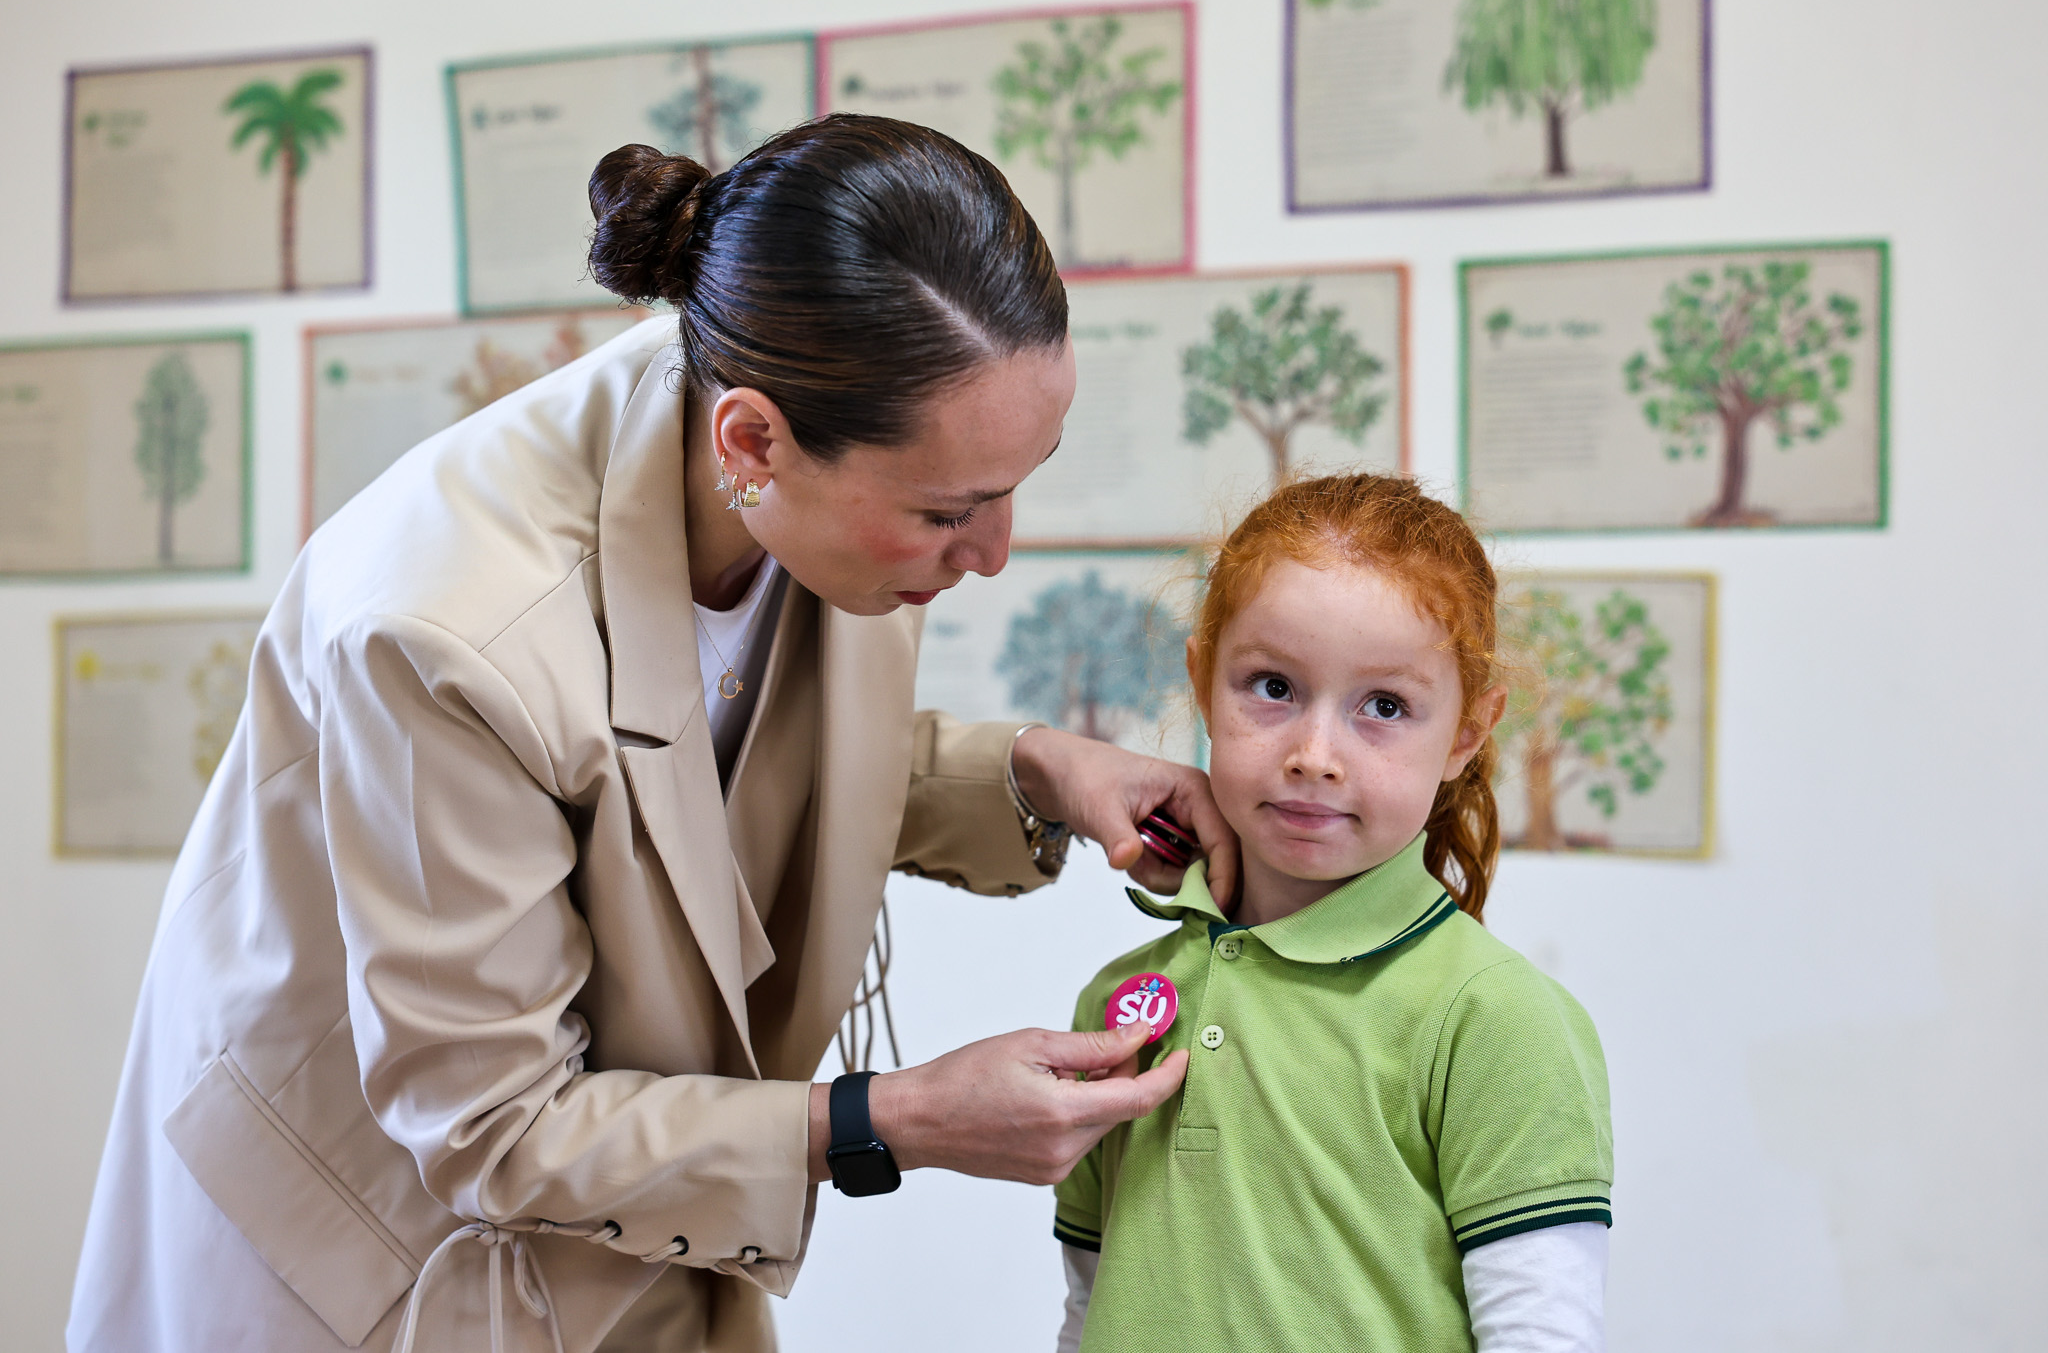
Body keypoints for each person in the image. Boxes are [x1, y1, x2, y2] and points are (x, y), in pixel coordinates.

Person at [67, 115, 1223, 1353]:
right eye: (951, 510)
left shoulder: (778, 455)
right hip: (370, 1247)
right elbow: (493, 1122)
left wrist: (1038, 771)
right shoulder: (444, 630)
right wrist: (890, 1120)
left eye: (1017, 484)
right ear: (754, 443)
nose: (992, 553)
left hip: (619, 1208)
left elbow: (705, 769)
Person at [1052, 473, 1613, 1352]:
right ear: (1203, 679)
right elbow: (1090, 1307)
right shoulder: (1119, 1002)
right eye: (1272, 686)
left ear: (1468, 729)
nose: (1315, 755)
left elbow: (1541, 1335)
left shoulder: (1493, 1018)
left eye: (1384, 706)